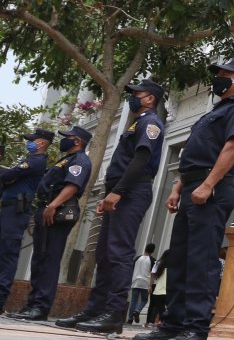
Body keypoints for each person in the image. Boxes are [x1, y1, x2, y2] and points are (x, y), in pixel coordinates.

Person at [134, 58, 234, 340]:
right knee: (179, 259)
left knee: (201, 261)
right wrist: (178, 187)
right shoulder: (214, 112)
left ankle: (195, 327)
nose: (219, 78)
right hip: (192, 186)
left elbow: (232, 148)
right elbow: (194, 155)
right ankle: (173, 324)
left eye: (225, 74)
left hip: (211, 190)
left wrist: (208, 184)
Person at [60, 79, 167, 334]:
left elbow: (141, 159)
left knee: (118, 252)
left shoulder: (150, 123)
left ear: (150, 98)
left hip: (131, 191)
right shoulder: (136, 122)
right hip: (118, 190)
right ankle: (96, 308)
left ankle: (114, 313)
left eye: (136, 93)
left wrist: (118, 192)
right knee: (104, 254)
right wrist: (109, 193)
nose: (132, 97)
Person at [7, 126, 93, 321]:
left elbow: (73, 185)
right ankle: (32, 305)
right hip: (48, 210)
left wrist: (53, 205)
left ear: (77, 141)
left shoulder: (79, 160)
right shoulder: (66, 160)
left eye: (68, 137)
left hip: (57, 211)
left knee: (49, 259)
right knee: (40, 259)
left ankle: (40, 307)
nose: (64, 140)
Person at [0, 128, 52, 308]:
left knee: (7, 253)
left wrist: (9, 178)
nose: (29, 142)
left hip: (16, 211)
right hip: (9, 209)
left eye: (33, 139)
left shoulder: (36, 161)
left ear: (42, 143)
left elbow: (6, 176)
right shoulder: (28, 160)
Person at [128, 243, 156, 323]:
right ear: (152, 251)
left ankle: (130, 319)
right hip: (145, 282)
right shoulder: (152, 260)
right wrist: (150, 286)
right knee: (144, 300)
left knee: (133, 300)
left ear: (145, 248)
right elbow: (153, 274)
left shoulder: (137, 258)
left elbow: (132, 269)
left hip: (135, 281)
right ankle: (137, 311)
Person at [145, 249, 169, 328]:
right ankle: (164, 322)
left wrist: (150, 286)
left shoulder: (158, 263)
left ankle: (154, 322)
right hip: (167, 290)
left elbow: (153, 275)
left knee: (158, 308)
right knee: (168, 308)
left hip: (158, 290)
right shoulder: (174, 265)